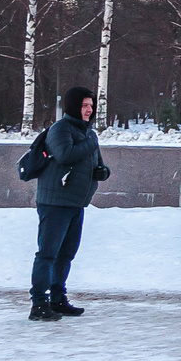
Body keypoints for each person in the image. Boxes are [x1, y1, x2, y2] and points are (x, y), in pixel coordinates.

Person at [28, 86, 110, 322]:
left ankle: (57, 299)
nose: (89, 110)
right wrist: (90, 142)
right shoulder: (60, 129)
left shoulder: (89, 134)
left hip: (76, 203)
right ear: (73, 106)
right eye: (84, 105)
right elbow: (65, 155)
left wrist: (102, 172)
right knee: (47, 254)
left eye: (91, 106)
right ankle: (39, 304)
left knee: (66, 255)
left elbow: (96, 163)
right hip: (55, 203)